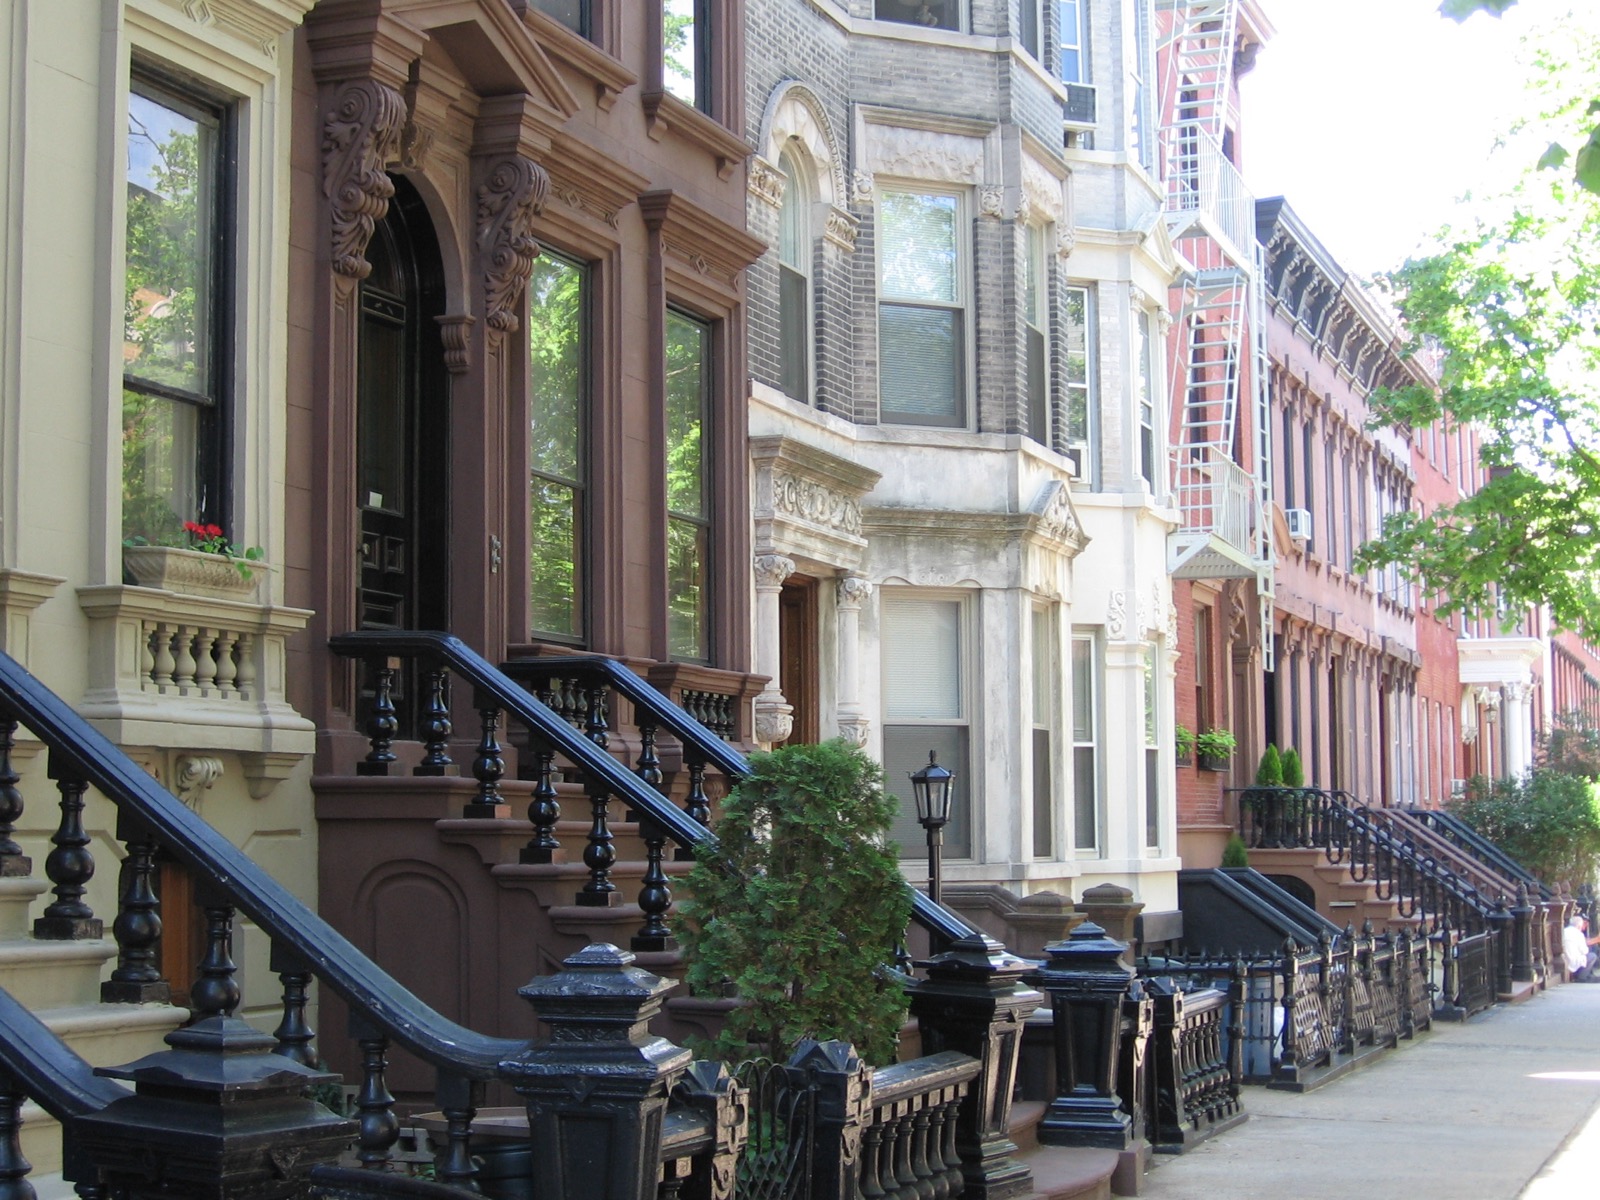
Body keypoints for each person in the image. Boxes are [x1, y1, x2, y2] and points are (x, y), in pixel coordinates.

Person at [1563, 914, 1598, 981]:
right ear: (1579, 925)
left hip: (1565, 959)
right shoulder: (1579, 934)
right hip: (1574, 961)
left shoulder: (1564, 931)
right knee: (1592, 956)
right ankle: (1582, 976)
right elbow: (1585, 951)